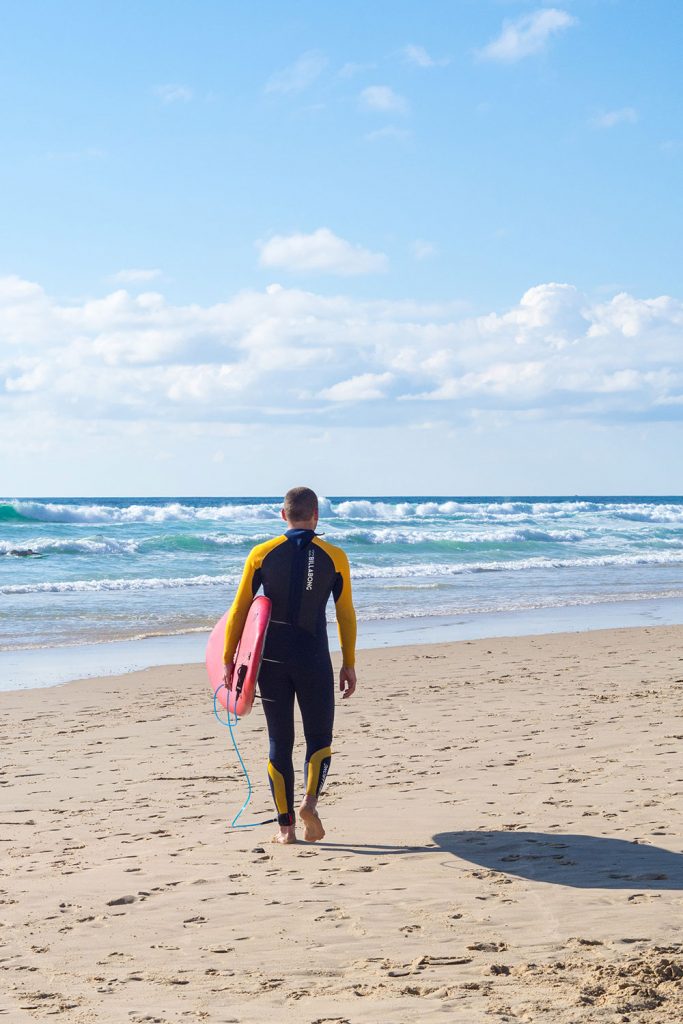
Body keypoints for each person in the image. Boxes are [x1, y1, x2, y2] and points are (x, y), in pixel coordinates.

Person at [222, 487, 357, 844]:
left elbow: (240, 611)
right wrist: (349, 663)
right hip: (314, 655)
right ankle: (310, 803)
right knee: (319, 738)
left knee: (279, 742)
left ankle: (286, 831)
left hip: (272, 660)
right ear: (316, 516)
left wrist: (228, 660)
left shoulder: (262, 554)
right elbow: (346, 614)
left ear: (283, 516)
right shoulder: (335, 556)